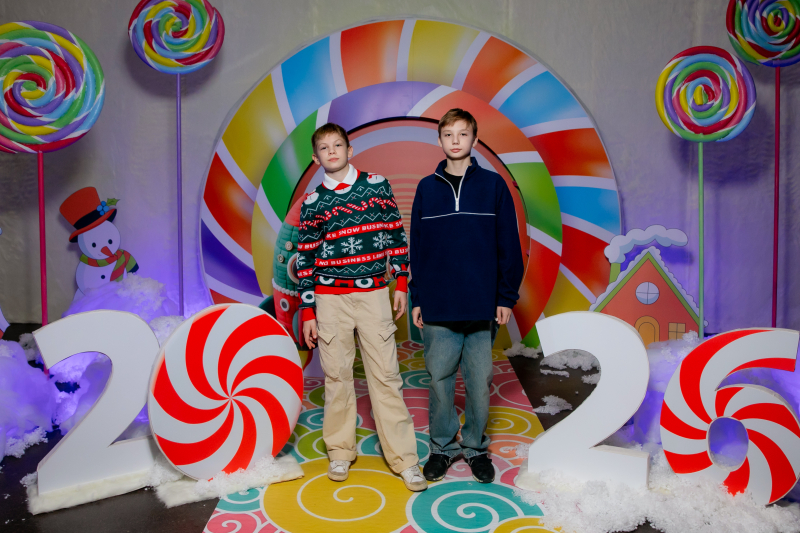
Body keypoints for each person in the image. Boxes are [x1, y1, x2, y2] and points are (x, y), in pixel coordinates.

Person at [298, 123, 427, 492]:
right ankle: (340, 450)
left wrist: (400, 282)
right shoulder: (312, 202)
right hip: (328, 299)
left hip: (373, 295)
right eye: (324, 147)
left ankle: (405, 459)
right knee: (337, 377)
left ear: (350, 150)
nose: (332, 151)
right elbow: (305, 259)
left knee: (386, 375)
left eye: (338, 145)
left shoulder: (376, 185)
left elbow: (395, 234)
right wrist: (308, 310)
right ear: (316, 158)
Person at [409, 108, 524, 483]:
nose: (455, 140)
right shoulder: (426, 188)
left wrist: (505, 297)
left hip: (481, 303)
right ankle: (442, 447)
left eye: (463, 134)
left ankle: (475, 447)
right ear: (440, 140)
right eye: (448, 134)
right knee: (439, 380)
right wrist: (417, 297)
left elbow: (509, 245)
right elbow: (417, 248)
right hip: (438, 303)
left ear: (475, 139)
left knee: (479, 382)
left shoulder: (493, 186)